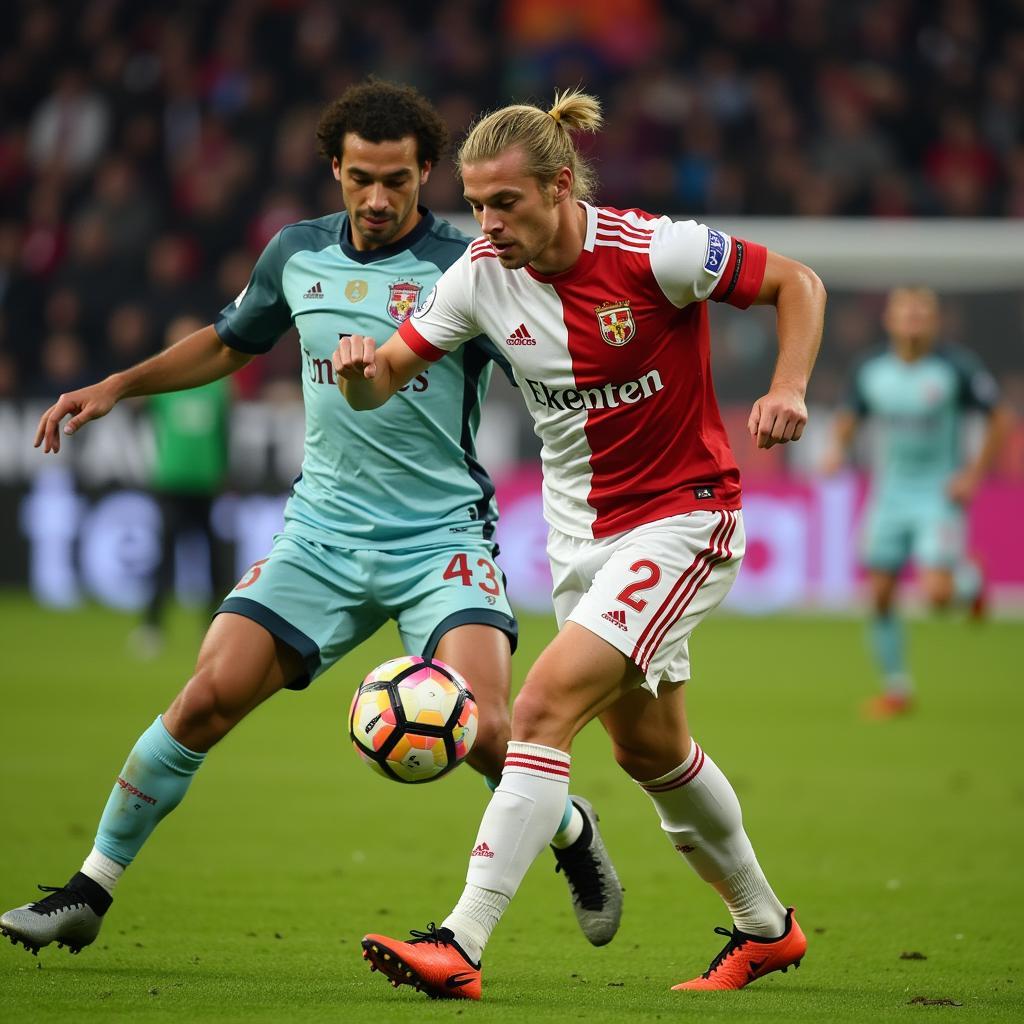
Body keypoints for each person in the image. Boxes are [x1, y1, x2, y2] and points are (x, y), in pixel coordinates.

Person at [2, 79, 621, 959]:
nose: (377, 199)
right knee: (205, 697)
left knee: (485, 727)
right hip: (320, 535)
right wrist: (115, 385)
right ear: (334, 168)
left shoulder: (469, 267)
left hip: (439, 537)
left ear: (427, 175)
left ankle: (574, 836)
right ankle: (89, 890)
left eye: (397, 182)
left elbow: (553, 359)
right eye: (360, 178)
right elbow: (227, 342)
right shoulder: (295, 254)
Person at [333, 88, 826, 998]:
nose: (486, 223)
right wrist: (360, 375)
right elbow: (386, 376)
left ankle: (461, 941)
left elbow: (799, 283)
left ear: (561, 185)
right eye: (475, 203)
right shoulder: (480, 274)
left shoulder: (656, 250)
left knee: (546, 703)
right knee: (649, 751)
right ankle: (767, 928)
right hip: (580, 540)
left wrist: (789, 386)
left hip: (684, 517)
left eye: (504, 202)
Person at [822, 286, 1013, 718]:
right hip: (889, 495)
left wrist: (972, 474)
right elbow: (850, 417)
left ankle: (971, 583)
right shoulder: (871, 370)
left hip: (937, 495)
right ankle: (896, 689)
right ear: (889, 320)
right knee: (881, 593)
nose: (912, 320)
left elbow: (1001, 418)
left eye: (921, 313)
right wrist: (836, 450)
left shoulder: (955, 368)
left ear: (933, 321)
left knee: (937, 596)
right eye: (905, 312)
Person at [130, 313, 233, 658]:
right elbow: (137, 413)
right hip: (171, 479)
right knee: (166, 555)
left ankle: (215, 625)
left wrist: (223, 472)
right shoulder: (166, 384)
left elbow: (224, 434)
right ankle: (152, 624)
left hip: (204, 481)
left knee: (212, 558)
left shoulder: (218, 383)